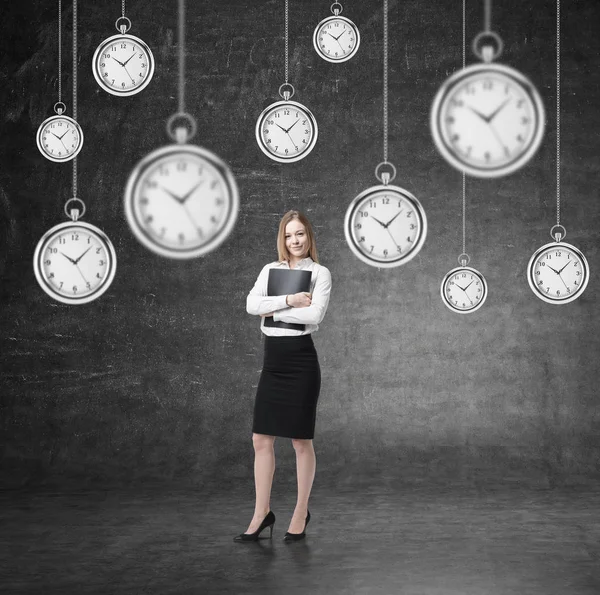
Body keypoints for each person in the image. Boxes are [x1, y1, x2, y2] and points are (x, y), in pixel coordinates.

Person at [234, 210, 332, 543]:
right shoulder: (270, 270)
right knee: (261, 439)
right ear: (283, 238)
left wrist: (271, 306)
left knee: (300, 441)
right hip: (273, 361)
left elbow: (314, 314)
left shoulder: (320, 273)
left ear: (309, 236)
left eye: (300, 234)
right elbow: (250, 305)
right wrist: (289, 300)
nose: (295, 241)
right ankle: (262, 514)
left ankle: (300, 511)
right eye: (289, 235)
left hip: (302, 362)